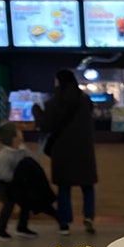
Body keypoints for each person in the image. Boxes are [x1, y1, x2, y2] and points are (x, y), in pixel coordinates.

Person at [32, 69, 98, 236]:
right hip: (84, 150)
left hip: (63, 151)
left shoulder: (55, 102)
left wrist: (36, 110)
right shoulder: (85, 99)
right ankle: (89, 216)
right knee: (87, 186)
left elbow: (46, 126)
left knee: (64, 188)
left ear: (59, 81)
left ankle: (64, 224)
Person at [0, 121, 58, 241]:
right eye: (18, 131)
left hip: (15, 182)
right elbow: (6, 175)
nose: (21, 132)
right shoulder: (4, 156)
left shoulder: (23, 149)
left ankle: (22, 227)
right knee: (9, 203)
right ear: (13, 138)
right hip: (0, 183)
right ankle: (0, 229)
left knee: (25, 201)